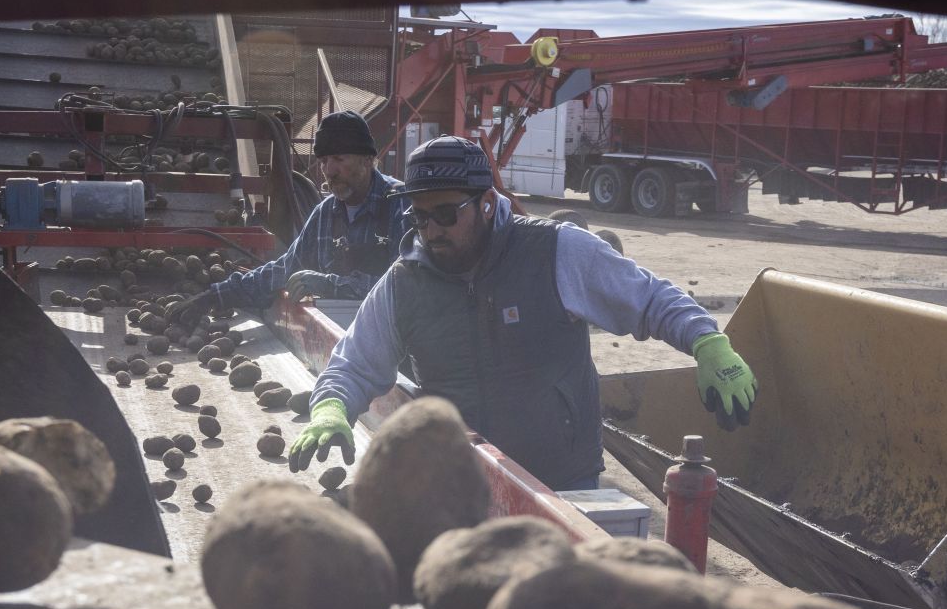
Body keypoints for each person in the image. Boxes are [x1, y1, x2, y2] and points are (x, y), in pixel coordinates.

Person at [287, 136, 757, 491]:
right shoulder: (405, 282)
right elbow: (355, 363)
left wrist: (708, 343)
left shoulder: (555, 252)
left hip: (562, 479)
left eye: (446, 214)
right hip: (461, 483)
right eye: (419, 216)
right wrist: (330, 408)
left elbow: (651, 299)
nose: (431, 230)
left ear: (487, 204)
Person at [171, 110, 411, 328]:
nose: (329, 170)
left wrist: (329, 285)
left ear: (367, 159)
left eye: (339, 159)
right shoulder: (326, 213)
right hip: (343, 337)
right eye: (325, 161)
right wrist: (216, 296)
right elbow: (284, 270)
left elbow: (404, 288)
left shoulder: (401, 205)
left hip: (396, 341)